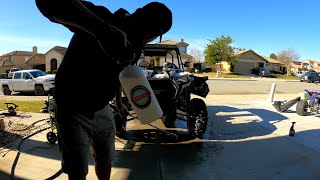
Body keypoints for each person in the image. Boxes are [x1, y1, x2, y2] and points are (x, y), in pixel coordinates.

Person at [35, 0, 172, 179]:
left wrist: (118, 101)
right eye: (149, 32)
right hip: (72, 105)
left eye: (152, 35)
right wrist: (103, 31)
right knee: (77, 169)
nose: (148, 39)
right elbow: (49, 4)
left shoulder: (135, 47)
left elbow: (121, 73)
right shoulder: (104, 18)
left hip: (101, 106)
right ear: (141, 21)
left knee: (106, 157)